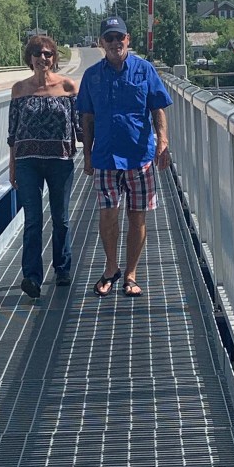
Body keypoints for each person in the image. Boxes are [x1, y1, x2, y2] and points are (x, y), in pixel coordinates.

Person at [77, 15, 172, 298]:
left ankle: (131, 274)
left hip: (139, 156)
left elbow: (157, 108)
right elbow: (87, 118)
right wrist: (87, 156)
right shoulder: (92, 76)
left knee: (137, 217)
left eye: (120, 37)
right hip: (105, 157)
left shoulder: (145, 70)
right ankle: (111, 268)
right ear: (101, 42)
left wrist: (163, 141)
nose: (115, 42)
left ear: (128, 39)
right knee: (108, 216)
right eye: (109, 38)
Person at [8, 35, 79, 298]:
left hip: (60, 161)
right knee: (33, 220)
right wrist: (12, 166)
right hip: (27, 163)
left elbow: (81, 126)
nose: (43, 58)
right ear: (30, 58)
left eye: (48, 53)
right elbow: (13, 134)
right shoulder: (19, 89)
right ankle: (32, 277)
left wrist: (95, 154)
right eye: (37, 53)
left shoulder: (68, 87)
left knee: (60, 219)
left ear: (54, 58)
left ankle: (62, 269)